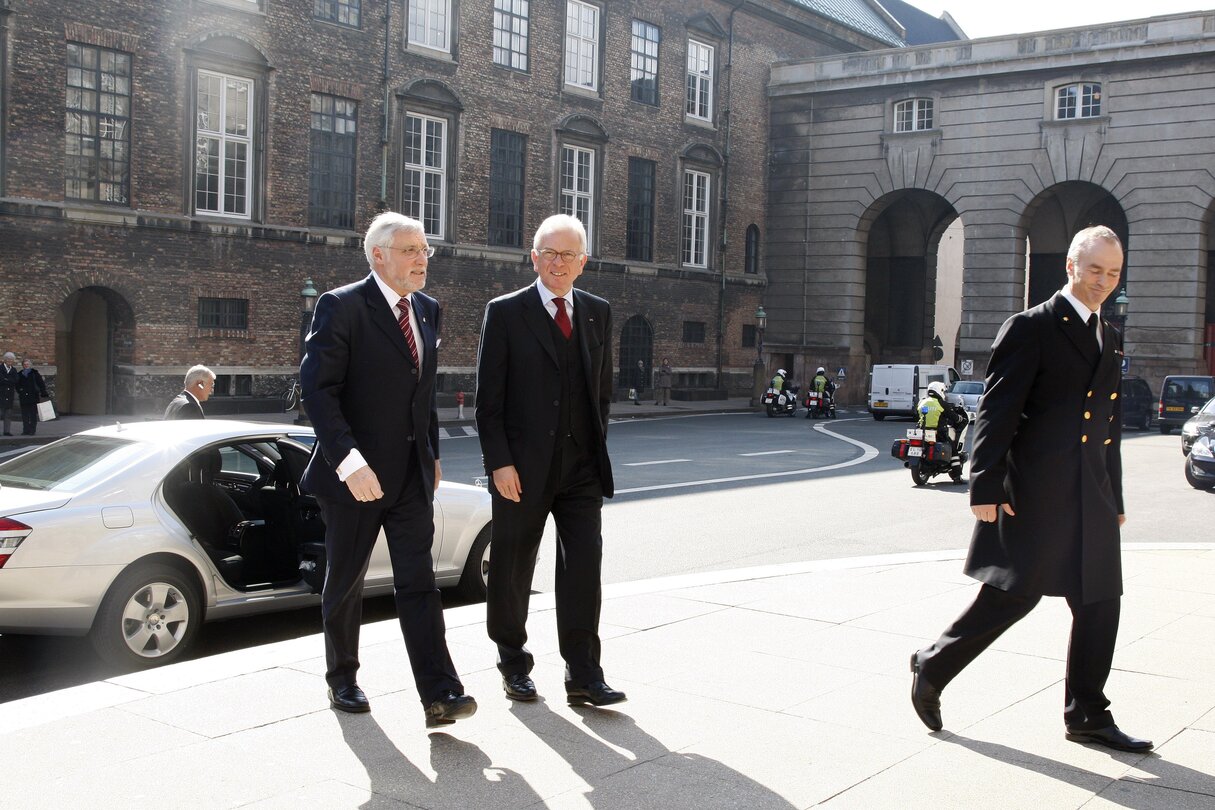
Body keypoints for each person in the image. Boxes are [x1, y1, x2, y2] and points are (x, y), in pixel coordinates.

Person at [910, 225, 1151, 752]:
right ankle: (933, 664)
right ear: (1070, 266)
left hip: (1091, 494)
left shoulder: (1107, 335)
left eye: (1113, 273)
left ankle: (1088, 713)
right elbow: (998, 412)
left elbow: (1106, 426)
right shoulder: (1031, 327)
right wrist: (984, 485)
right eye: (1094, 270)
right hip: (1035, 491)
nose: (1103, 282)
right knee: (1012, 598)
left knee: (1101, 601)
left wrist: (1115, 498)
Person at [300, 211, 476, 728]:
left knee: (419, 582)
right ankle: (343, 678)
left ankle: (440, 692)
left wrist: (433, 452)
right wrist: (349, 461)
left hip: (411, 477)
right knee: (347, 579)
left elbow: (424, 395)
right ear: (378, 255)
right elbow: (318, 391)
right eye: (410, 251)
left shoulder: (428, 309)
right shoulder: (342, 306)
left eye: (425, 250)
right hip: (355, 478)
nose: (422, 259)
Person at [475, 213, 625, 708]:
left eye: (569, 255)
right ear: (534, 257)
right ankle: (513, 662)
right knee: (513, 567)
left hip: (580, 466)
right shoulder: (505, 312)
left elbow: (600, 391)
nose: (559, 263)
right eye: (550, 254)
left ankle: (583, 672)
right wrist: (499, 462)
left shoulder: (597, 312)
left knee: (584, 568)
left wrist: (593, 445)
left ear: (583, 262)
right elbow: (488, 400)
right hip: (521, 468)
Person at [915, 380, 965, 472]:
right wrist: (960, 418)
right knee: (953, 449)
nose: (944, 394)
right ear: (939, 390)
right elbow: (953, 416)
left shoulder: (921, 402)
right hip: (939, 432)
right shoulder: (941, 403)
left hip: (922, 431)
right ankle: (956, 476)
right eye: (943, 391)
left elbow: (917, 414)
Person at [15, 359, 49, 436]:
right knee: (25, 415)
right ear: (23, 365)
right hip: (23, 397)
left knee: (33, 415)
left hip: (33, 397)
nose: (26, 365)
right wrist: (20, 391)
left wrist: (44, 393)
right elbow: (17, 385)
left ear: (30, 365)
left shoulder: (35, 373)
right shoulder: (20, 374)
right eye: (25, 364)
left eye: (28, 364)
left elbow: (41, 384)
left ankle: (32, 430)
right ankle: (25, 430)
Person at [0, 352, 18, 436]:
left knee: (8, 414)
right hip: (1, 394)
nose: (10, 361)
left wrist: (6, 380)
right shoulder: (0, 368)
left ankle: (6, 431)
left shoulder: (13, 370)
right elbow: (1, 380)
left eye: (11, 360)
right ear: (5, 360)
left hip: (10, 395)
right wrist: (8, 380)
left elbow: (15, 380)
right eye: (8, 359)